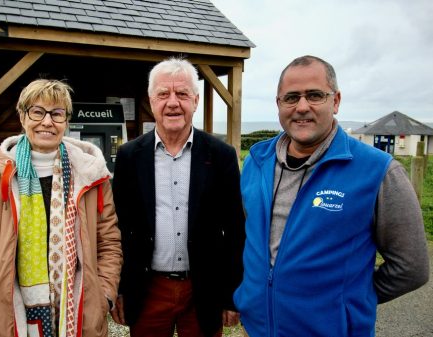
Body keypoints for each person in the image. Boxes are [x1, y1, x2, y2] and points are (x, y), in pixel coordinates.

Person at [234, 55, 430, 336]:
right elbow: (250, 238)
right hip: (255, 329)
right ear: (279, 104)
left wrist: (345, 299)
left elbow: (412, 268)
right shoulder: (256, 161)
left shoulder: (378, 171)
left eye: (314, 95)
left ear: (335, 101)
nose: (302, 107)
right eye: (291, 98)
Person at [0, 79, 122, 337]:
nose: (47, 122)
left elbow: (109, 244)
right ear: (22, 117)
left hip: (79, 320)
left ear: (66, 121)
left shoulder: (91, 177)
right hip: (10, 323)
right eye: (37, 112)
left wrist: (103, 297)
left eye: (56, 113)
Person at [110, 57, 246, 337]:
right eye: (163, 94)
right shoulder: (129, 156)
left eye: (182, 94)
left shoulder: (220, 155)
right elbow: (119, 228)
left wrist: (231, 293)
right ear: (151, 100)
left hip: (203, 289)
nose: (173, 102)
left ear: (195, 101)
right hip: (149, 289)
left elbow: (235, 229)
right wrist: (121, 288)